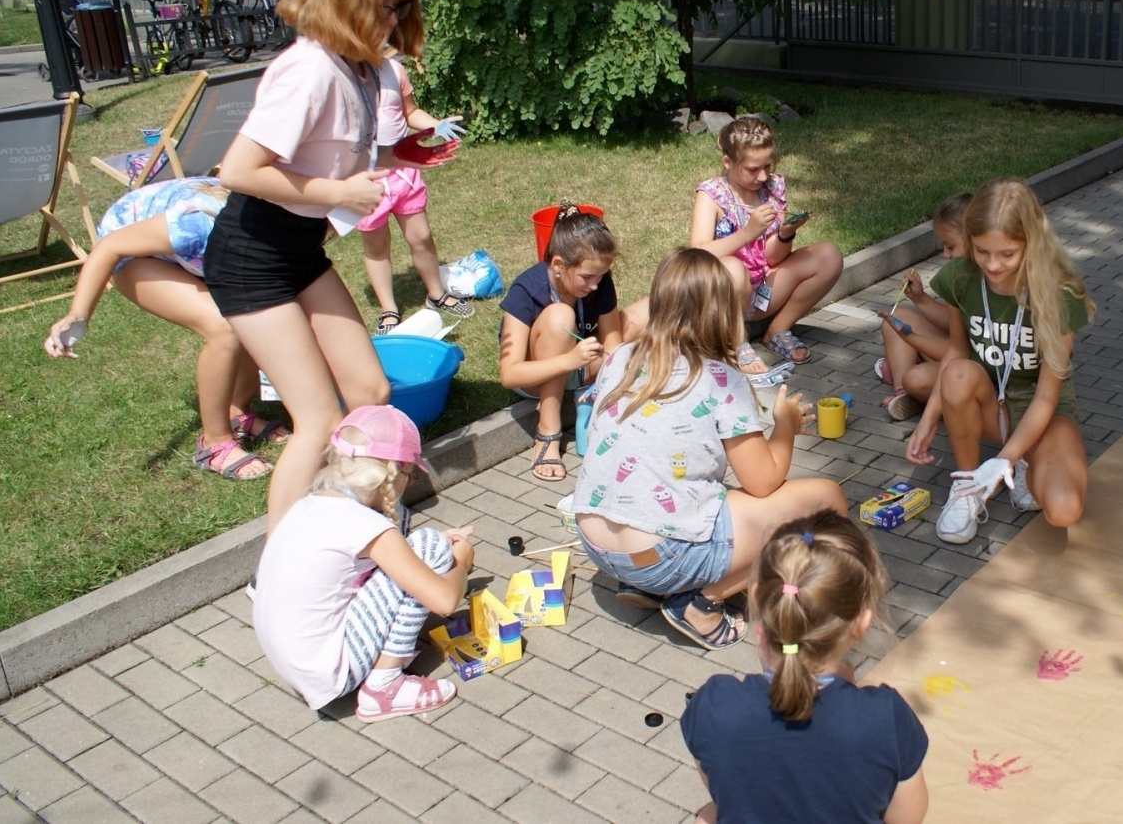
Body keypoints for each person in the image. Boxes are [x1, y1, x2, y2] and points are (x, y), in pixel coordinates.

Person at [211, 0, 439, 529]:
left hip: (298, 249)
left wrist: (411, 155)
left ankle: (349, 517)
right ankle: (282, 563)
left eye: (401, 6)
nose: (395, 18)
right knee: (314, 418)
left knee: (368, 391)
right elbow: (238, 170)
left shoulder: (361, 67)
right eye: (386, 6)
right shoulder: (308, 70)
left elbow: (340, 153)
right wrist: (340, 193)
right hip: (251, 254)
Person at [572, 248, 847, 650]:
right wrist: (784, 426)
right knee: (827, 501)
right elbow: (763, 483)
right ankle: (699, 601)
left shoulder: (621, 358)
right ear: (724, 311)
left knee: (707, 500)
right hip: (661, 555)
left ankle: (658, 588)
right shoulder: (721, 377)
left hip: (595, 543)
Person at [681, 511, 929, 824]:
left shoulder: (714, 705)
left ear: (758, 599)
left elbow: (724, 792)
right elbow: (908, 817)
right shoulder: (884, 717)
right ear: (862, 622)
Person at [43, 176, 291, 481]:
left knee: (254, 314)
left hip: (201, 246)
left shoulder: (288, 232)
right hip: (130, 250)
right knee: (224, 326)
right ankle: (214, 443)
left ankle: (236, 412)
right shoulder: (197, 224)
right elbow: (109, 248)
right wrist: (78, 313)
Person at [253, 405, 474, 721]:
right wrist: (459, 565)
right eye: (410, 477)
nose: (409, 486)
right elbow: (445, 601)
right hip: (327, 671)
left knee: (416, 548)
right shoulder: (367, 525)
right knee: (430, 546)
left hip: (296, 664)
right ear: (393, 472)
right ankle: (384, 688)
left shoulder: (308, 505)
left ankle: (375, 669)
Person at [906, 178, 1095, 544]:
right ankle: (968, 487)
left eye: (1007, 254)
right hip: (993, 405)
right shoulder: (959, 279)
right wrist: (929, 419)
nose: (992, 265)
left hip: (1043, 413)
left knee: (1063, 510)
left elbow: (1045, 397)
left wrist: (1005, 457)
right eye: (981, 251)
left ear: (1031, 244)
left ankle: (1020, 462)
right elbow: (956, 352)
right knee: (960, 373)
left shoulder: (1060, 294)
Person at [499, 206, 647, 482]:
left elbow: (612, 343)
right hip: (536, 379)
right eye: (587, 277)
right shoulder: (526, 290)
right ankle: (547, 433)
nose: (595, 285)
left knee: (656, 308)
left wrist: (611, 378)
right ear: (558, 265)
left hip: (581, 364)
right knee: (560, 317)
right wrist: (570, 361)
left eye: (601, 276)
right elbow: (509, 375)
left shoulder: (598, 282)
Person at [690, 118, 843, 373]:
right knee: (733, 267)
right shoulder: (711, 195)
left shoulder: (771, 187)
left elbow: (772, 259)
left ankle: (777, 331)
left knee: (829, 255)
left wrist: (785, 234)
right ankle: (735, 342)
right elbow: (696, 254)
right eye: (752, 169)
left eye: (767, 166)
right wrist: (748, 233)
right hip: (722, 297)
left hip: (761, 289)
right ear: (728, 162)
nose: (762, 176)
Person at [358, 49, 472, 335]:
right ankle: (388, 309)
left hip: (404, 171)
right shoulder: (344, 75)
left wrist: (436, 124)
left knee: (421, 237)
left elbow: (409, 112)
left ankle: (436, 293)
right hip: (367, 176)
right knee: (377, 246)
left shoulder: (394, 71)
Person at [874, 192, 971, 422]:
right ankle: (903, 394)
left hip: (973, 364)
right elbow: (951, 323)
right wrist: (920, 299)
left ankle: (914, 382)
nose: (945, 255)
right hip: (956, 351)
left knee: (916, 379)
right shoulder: (956, 274)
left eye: (950, 246)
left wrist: (912, 339)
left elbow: (960, 351)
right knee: (901, 316)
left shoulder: (989, 279)